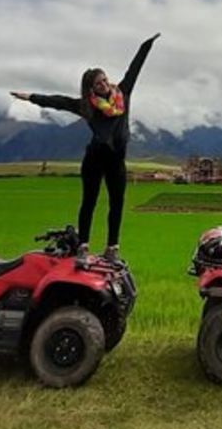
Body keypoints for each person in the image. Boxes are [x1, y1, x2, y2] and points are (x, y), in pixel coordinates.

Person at [10, 33, 160, 262]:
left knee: (117, 203)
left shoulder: (123, 93)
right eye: (97, 83)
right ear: (91, 88)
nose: (103, 84)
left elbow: (135, 68)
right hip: (94, 159)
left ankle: (112, 248)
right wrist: (30, 97)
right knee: (89, 202)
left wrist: (146, 45)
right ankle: (83, 246)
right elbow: (58, 101)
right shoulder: (87, 106)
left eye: (104, 79)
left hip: (116, 160)